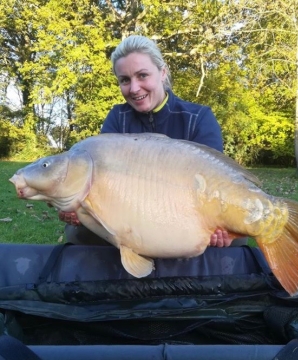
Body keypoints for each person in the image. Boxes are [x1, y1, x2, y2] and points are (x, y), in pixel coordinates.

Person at [62, 35, 246, 247]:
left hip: (188, 215)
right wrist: (75, 206)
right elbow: (97, 185)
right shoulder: (117, 119)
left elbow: (215, 184)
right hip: (132, 215)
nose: (134, 88)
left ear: (162, 72)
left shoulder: (198, 118)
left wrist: (217, 223)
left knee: (237, 238)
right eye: (125, 80)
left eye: (142, 75)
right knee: (79, 233)